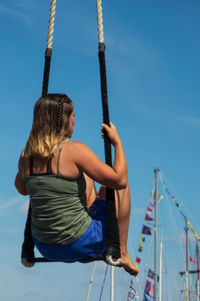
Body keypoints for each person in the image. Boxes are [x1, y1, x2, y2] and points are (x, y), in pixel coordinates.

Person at [15, 93, 138, 276]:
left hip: (45, 246)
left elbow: (22, 189)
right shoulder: (74, 151)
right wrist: (117, 143)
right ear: (63, 120)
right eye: (73, 116)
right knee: (121, 184)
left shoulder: (26, 157)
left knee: (83, 175)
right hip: (79, 243)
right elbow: (119, 180)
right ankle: (123, 252)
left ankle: (86, 235)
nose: (75, 122)